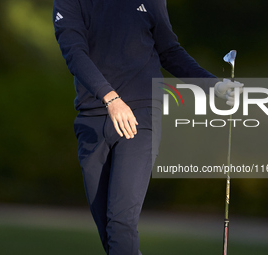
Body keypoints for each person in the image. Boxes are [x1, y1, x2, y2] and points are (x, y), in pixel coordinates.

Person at [53, 1, 242, 254]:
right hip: (92, 118)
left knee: (121, 224)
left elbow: (169, 50)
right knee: (109, 233)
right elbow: (73, 51)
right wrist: (110, 97)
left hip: (141, 114)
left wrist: (212, 85)